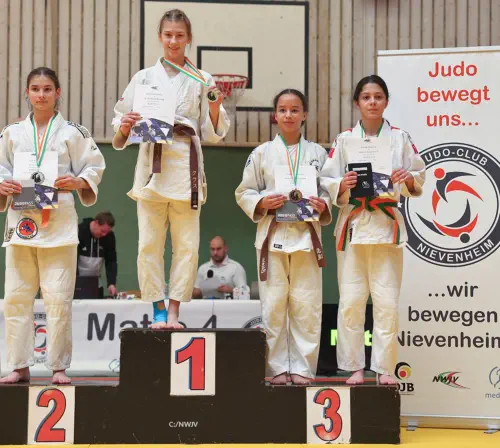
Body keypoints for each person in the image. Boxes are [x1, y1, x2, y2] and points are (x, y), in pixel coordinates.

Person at [112, 9, 230, 328]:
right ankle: (158, 308)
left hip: (185, 166)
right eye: (168, 35)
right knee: (148, 245)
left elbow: (213, 132)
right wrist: (125, 125)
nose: (173, 41)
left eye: (179, 35)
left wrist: (215, 107)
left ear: (188, 38)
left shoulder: (203, 79)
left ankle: (175, 309)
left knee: (187, 247)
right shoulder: (143, 77)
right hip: (152, 165)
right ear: (160, 37)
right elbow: (120, 119)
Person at [0, 67, 105, 384]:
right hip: (22, 223)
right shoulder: (12, 132)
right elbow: (2, 168)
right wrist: (2, 185)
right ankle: (18, 364)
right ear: (27, 93)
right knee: (16, 297)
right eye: (35, 89)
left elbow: (94, 166)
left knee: (58, 298)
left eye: (47, 89)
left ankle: (58, 365)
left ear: (57, 93)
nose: (41, 94)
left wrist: (78, 181)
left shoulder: (74, 132)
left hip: (58, 225)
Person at [320, 75, 425, 385]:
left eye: (378, 97)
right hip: (354, 226)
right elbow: (327, 179)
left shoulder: (400, 138)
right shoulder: (344, 140)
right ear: (357, 102)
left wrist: (407, 178)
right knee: (351, 301)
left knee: (386, 302)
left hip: (385, 226)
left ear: (386, 101)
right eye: (366, 97)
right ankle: (354, 367)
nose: (372, 102)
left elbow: (418, 175)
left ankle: (384, 368)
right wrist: (342, 184)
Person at [235, 89, 331, 385]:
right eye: (283, 110)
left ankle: (303, 368)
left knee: (307, 305)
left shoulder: (318, 154)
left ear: (304, 114)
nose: (288, 115)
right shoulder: (261, 153)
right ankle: (277, 368)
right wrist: (262, 202)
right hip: (272, 237)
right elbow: (244, 191)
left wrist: (324, 204)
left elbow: (329, 190)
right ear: (275, 115)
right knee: (273, 304)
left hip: (306, 238)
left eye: (294, 109)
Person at [77, 211, 118, 297]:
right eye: (102, 231)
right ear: (96, 223)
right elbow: (72, 260)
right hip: (77, 282)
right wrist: (76, 282)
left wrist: (111, 283)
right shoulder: (79, 232)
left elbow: (111, 261)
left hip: (96, 284)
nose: (104, 235)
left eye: (107, 232)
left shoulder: (109, 237)